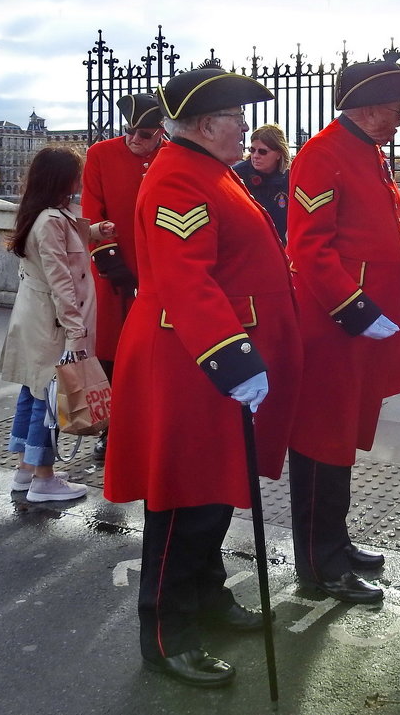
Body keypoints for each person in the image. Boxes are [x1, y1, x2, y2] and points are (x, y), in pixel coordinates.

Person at [103, 67, 303, 688]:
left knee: (215, 491)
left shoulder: (210, 171)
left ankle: (209, 598)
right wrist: (231, 357)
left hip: (210, 355)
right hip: (191, 359)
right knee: (184, 498)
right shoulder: (176, 178)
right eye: (235, 120)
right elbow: (185, 278)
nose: (244, 128)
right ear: (203, 125)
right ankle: (166, 634)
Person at [286, 58, 400, 602]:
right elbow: (309, 248)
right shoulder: (322, 155)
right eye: (396, 108)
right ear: (368, 107)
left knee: (343, 435)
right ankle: (318, 565)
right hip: (334, 327)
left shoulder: (369, 154)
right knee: (322, 439)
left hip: (363, 325)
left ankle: (335, 541)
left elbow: (393, 235)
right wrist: (354, 307)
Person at [0, 146, 113, 502]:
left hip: (38, 321)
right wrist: (76, 332)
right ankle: (43, 479)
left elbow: (65, 244)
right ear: (63, 178)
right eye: (75, 173)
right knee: (50, 401)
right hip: (53, 326)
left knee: (34, 395)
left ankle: (26, 471)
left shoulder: (44, 215)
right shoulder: (51, 220)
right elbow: (61, 280)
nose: (79, 179)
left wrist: (94, 231)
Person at [81, 93, 165, 459]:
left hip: (158, 270)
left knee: (156, 353)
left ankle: (153, 424)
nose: (134, 139)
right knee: (111, 353)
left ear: (160, 131)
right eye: (129, 130)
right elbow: (90, 208)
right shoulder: (100, 154)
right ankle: (111, 430)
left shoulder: (171, 156)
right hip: (114, 271)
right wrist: (109, 257)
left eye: (144, 134)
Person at [231, 123, 290, 242]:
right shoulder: (237, 175)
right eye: (252, 150)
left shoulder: (289, 177)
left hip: (279, 246)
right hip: (246, 244)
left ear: (279, 154)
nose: (255, 156)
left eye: (262, 151)